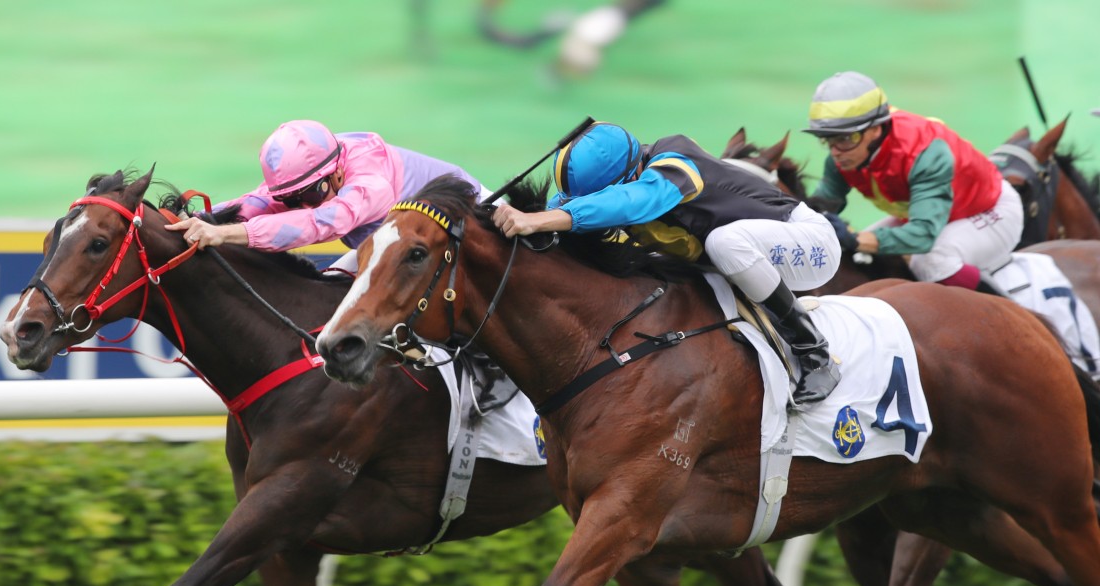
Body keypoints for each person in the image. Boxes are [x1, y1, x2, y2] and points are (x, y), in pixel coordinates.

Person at [491, 121, 843, 408]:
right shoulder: (616, 180)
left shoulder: (675, 162)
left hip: (808, 243)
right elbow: (565, 216)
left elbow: (631, 202)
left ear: (630, 176)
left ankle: (814, 353)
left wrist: (545, 219)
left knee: (724, 242)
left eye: (603, 196)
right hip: (735, 262)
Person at [166, 120, 485, 275]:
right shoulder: (320, 167)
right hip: (410, 248)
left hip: (474, 227)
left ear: (337, 173)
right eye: (293, 200)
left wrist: (225, 234)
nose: (305, 205)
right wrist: (201, 219)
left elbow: (321, 222)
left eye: (312, 193)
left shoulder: (370, 180)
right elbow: (261, 200)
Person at [802, 71, 1023, 292]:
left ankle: (1009, 310)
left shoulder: (924, 153)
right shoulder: (844, 156)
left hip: (992, 210)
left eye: (845, 138)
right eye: (828, 140)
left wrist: (856, 239)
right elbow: (820, 206)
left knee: (930, 261)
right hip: (935, 213)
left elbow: (923, 235)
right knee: (856, 255)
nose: (836, 152)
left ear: (875, 129)